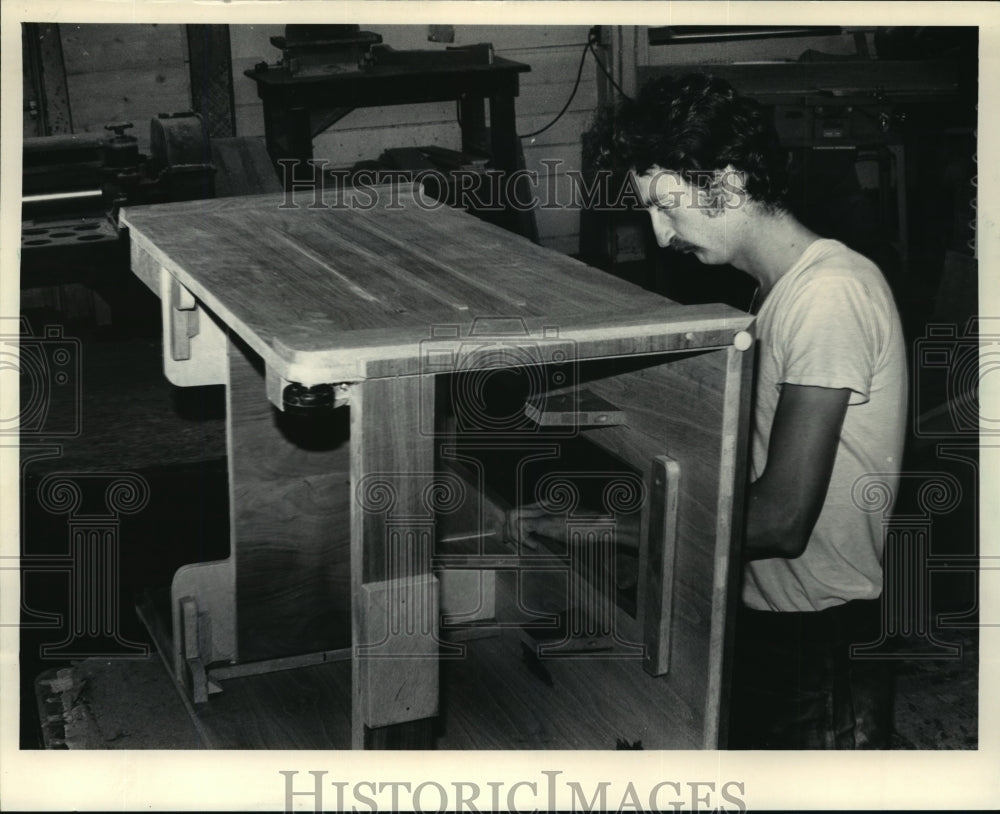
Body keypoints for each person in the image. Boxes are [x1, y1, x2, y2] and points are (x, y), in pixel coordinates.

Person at [519, 73, 908, 748]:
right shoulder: (777, 292)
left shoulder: (830, 295)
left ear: (724, 184)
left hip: (819, 643)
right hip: (769, 618)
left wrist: (607, 526)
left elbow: (782, 518)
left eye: (669, 207)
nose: (660, 233)